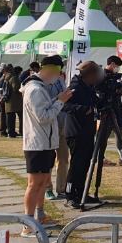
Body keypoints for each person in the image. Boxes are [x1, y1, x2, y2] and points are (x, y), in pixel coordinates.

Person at [20, 55, 73, 237]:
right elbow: (43, 117)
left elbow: (45, 110)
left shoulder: (41, 87)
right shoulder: (35, 89)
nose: (58, 77)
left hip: (46, 142)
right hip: (37, 143)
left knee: (43, 182)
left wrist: (57, 99)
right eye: (57, 73)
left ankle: (40, 215)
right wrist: (60, 101)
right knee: (34, 184)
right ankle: (28, 223)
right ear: (49, 70)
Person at [62, 61, 100, 209]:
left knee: (85, 164)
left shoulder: (88, 86)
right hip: (76, 131)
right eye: (95, 75)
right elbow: (64, 105)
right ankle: (69, 195)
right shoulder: (76, 86)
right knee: (76, 165)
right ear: (88, 75)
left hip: (87, 130)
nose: (96, 78)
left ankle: (81, 193)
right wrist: (83, 109)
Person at [45, 71, 70, 201]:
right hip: (50, 125)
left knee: (63, 159)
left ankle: (61, 188)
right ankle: (47, 189)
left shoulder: (60, 81)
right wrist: (59, 99)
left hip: (63, 123)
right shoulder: (43, 82)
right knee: (48, 160)